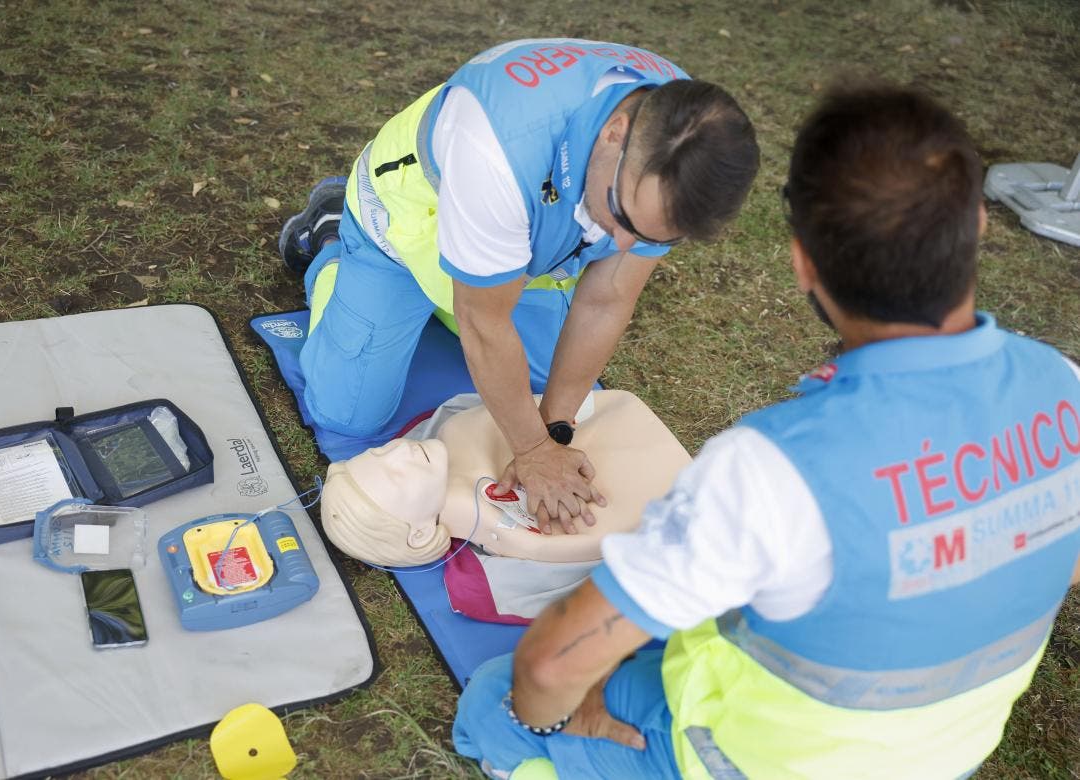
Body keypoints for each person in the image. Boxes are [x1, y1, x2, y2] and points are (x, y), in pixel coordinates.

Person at [451, 83, 1080, 779]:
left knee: (495, 702)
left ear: (802, 261)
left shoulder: (772, 468)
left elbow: (551, 662)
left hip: (748, 758)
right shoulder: (1064, 382)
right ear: (980, 226)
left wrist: (563, 714)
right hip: (946, 754)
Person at [278, 39, 759, 535]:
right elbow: (485, 323)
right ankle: (334, 242)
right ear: (615, 133)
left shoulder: (687, 143)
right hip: (405, 227)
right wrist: (530, 452)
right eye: (620, 214)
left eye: (652, 237)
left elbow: (607, 297)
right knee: (348, 413)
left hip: (523, 250)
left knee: (546, 385)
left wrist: (554, 433)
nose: (620, 243)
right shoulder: (499, 144)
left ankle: (467, 293)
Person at [319, 389, 692, 567]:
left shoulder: (454, 433)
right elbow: (565, 544)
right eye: (396, 476)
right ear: (418, 533)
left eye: (380, 452)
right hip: (654, 480)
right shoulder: (497, 524)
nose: (400, 450)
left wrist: (538, 446)